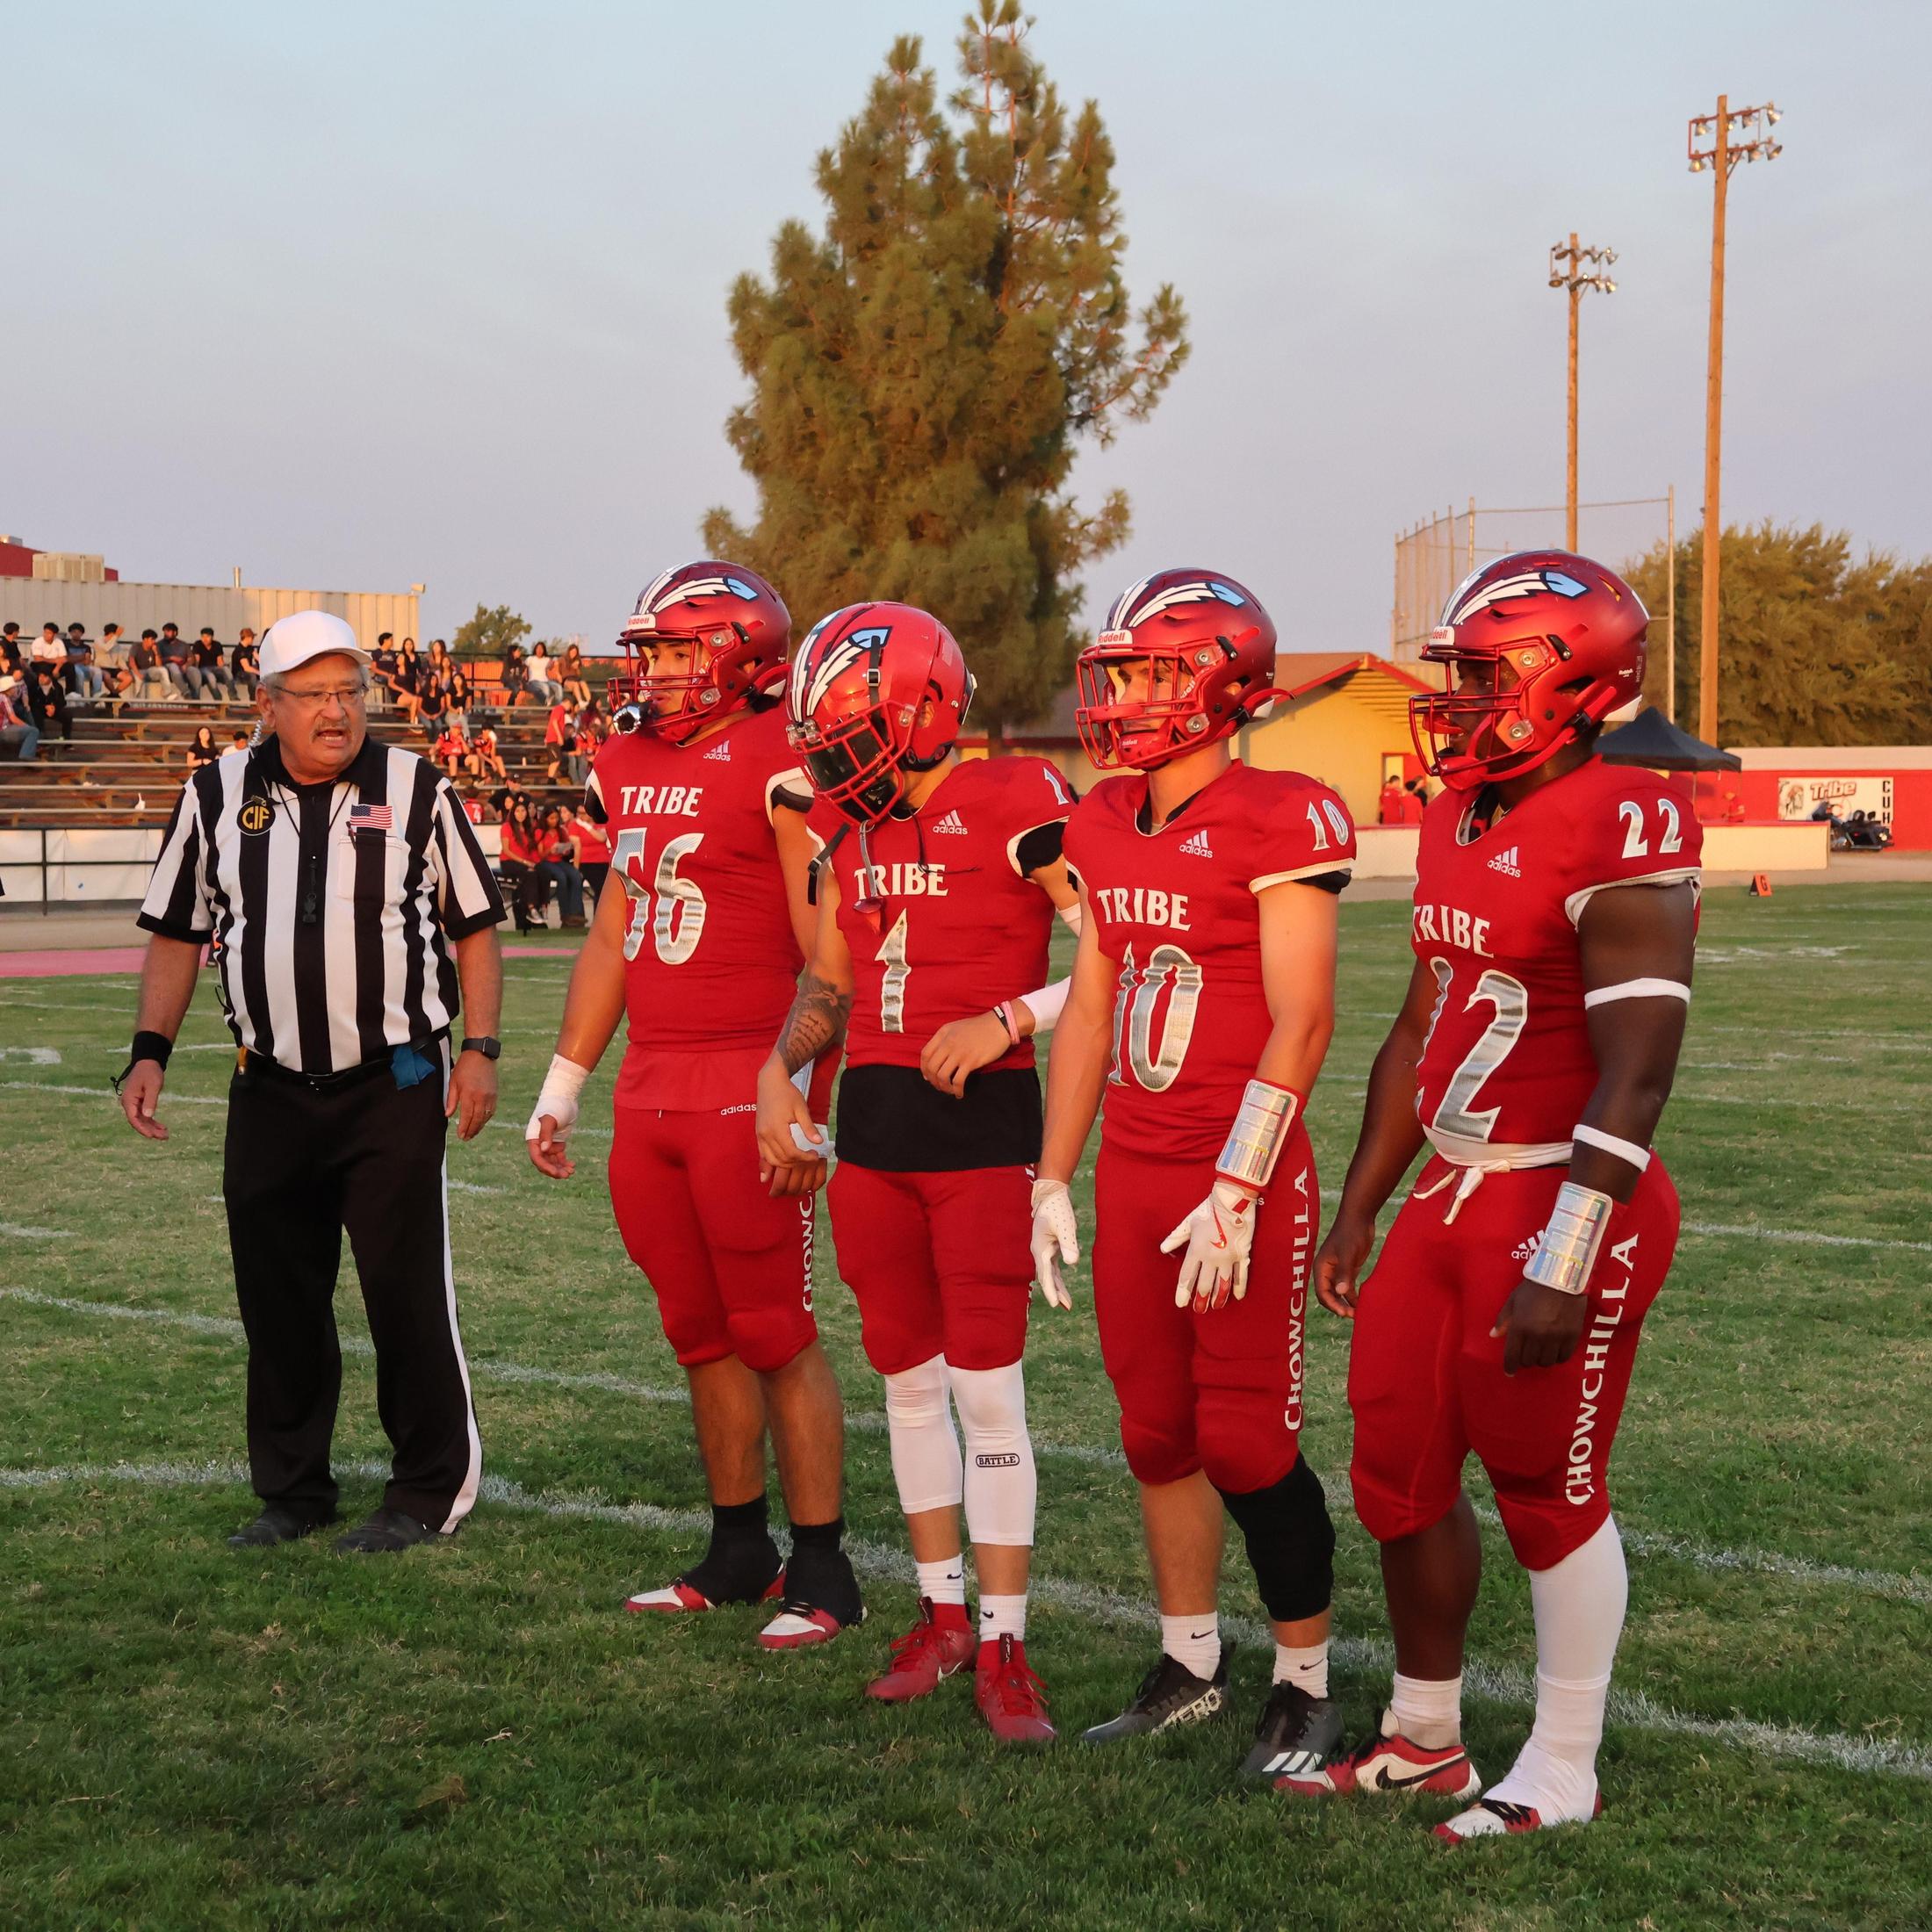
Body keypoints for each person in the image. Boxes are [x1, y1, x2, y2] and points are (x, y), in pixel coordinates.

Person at [1312, 551, 1702, 1841]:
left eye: (1483, 675)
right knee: (1397, 1472)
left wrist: (1567, 1252)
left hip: (1563, 1192)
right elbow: (1422, 1017)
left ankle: (1565, 1761)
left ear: (1571, 681)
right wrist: (1366, 1197)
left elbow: (1638, 1076)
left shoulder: (1623, 812)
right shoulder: (1454, 809)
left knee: (1547, 1488)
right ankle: (1425, 1739)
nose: (1458, 700)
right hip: (1454, 1195)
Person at [1031, 567, 1355, 1784]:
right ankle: (1190, 1665)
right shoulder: (1105, 816)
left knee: (1248, 1442)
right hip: (1141, 1174)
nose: (1126, 694)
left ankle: (1306, 1680)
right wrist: (1053, 1175)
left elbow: (1304, 1021)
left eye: (1155, 670)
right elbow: (1093, 1005)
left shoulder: (1286, 813)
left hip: (1241, 1177)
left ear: (1223, 680)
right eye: (1122, 670)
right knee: (1156, 1430)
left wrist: (1239, 1184)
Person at [756, 602, 1080, 1742]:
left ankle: (1004, 1639)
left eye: (849, 732)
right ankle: (941, 1617)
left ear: (925, 711)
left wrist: (1009, 1017)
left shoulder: (1021, 801)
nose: (834, 758)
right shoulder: (855, 829)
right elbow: (832, 985)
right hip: (878, 1140)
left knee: (988, 1393)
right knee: (904, 1382)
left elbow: (1125, 955)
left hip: (984, 1136)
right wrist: (777, 1070)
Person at [118, 609, 506, 1554]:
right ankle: (294, 1490)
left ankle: (426, 1488)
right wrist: (148, 1050)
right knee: (278, 1299)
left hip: (395, 1078)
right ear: (268, 704)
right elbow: (177, 929)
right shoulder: (213, 793)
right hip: (269, 1088)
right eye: (316, 695)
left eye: (350, 692)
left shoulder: (418, 788)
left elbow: (475, 928)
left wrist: (482, 1050)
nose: (338, 712)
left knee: (405, 1295)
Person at [524, 561, 859, 1650]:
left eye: (678, 650)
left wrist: (804, 1097)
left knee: (774, 1331)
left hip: (744, 1081)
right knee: (698, 1332)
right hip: (652, 1087)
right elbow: (616, 930)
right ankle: (737, 1547)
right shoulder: (622, 760)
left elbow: (831, 951)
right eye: (651, 651)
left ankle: (823, 1566)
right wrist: (565, 1082)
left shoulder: (784, 757)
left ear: (746, 652)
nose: (657, 671)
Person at [498, 796, 549, 932]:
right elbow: (506, 850)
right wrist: (526, 862)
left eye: (523, 811)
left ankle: (543, 907)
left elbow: (532, 850)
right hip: (509, 862)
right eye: (518, 811)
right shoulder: (507, 827)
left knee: (544, 872)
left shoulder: (529, 828)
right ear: (513, 813)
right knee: (530, 874)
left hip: (526, 862)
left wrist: (534, 862)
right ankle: (532, 908)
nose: (521, 814)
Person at [536, 804, 587, 927]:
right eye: (551, 818)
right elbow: (540, 855)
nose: (554, 821)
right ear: (545, 819)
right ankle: (564, 914)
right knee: (561, 877)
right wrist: (550, 850)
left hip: (559, 860)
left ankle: (576, 912)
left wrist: (565, 850)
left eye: (556, 818)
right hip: (546, 861)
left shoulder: (561, 830)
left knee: (575, 875)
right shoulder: (540, 832)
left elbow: (567, 847)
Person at [567, 797, 610, 908]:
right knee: (600, 888)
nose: (581, 816)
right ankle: (598, 919)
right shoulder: (574, 825)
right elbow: (577, 848)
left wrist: (586, 826)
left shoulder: (601, 823)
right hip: (587, 862)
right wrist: (575, 870)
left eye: (584, 812)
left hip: (605, 861)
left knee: (608, 889)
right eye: (579, 813)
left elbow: (602, 838)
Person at [26, 662, 74, 743]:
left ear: (50, 677)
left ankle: (67, 741)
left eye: (44, 676)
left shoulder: (57, 687)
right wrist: (45, 707)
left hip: (53, 710)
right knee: (35, 714)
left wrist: (54, 707)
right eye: (40, 676)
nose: (41, 678)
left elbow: (62, 702)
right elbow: (31, 701)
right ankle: (41, 739)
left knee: (67, 715)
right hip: (39, 710)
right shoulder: (34, 686)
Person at [126, 630, 175, 703]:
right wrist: (138, 674)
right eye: (152, 639)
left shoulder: (155, 648)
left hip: (149, 672)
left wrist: (156, 653)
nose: (154, 642)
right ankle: (136, 701)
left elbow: (159, 666)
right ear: (145, 639)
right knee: (139, 679)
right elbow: (131, 662)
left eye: (155, 639)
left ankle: (167, 694)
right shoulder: (136, 646)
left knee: (163, 670)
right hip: (136, 671)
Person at [0, 673, 40, 759]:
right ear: (8, 689)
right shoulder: (4, 698)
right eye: (14, 687)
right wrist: (26, 726)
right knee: (33, 731)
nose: (15, 689)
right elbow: (13, 718)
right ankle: (26, 756)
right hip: (3, 730)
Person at [185, 626, 230, 700]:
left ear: (212, 637)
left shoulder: (217, 645)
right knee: (210, 677)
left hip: (214, 668)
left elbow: (220, 661)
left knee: (225, 670)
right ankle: (218, 700)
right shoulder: (198, 644)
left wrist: (223, 668)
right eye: (203, 637)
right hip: (203, 669)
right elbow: (197, 660)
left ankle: (232, 694)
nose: (205, 639)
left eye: (207, 636)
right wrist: (195, 673)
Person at [64, 622, 105, 702]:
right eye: (74, 632)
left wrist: (74, 659)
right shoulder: (66, 645)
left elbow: (87, 661)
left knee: (97, 671)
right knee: (80, 673)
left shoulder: (86, 646)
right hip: (71, 667)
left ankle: (96, 694)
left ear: (82, 634)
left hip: (83, 666)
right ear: (70, 633)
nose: (77, 634)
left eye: (79, 632)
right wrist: (82, 657)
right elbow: (67, 659)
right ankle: (80, 697)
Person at [156, 621, 191, 695]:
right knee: (173, 666)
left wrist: (186, 665)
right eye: (165, 632)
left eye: (168, 631)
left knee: (194, 671)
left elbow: (191, 659)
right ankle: (186, 692)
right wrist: (171, 658)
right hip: (166, 670)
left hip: (183, 668)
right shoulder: (159, 645)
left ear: (175, 633)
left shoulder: (184, 645)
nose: (166, 634)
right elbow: (157, 661)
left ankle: (195, 698)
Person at [527, 640, 564, 707]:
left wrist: (554, 662)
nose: (539, 650)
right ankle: (547, 706)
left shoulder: (547, 659)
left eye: (541, 649)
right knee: (545, 687)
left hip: (546, 680)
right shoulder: (531, 658)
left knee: (558, 687)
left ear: (544, 650)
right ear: (535, 649)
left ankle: (558, 706)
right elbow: (524, 667)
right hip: (534, 681)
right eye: (538, 648)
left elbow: (551, 666)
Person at [559, 643, 593, 709]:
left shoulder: (577, 660)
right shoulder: (563, 659)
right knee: (575, 684)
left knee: (583, 683)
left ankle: (590, 702)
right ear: (569, 651)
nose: (573, 653)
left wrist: (576, 668)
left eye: (575, 652)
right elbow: (556, 665)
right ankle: (580, 702)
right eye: (572, 652)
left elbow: (579, 674)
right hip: (567, 680)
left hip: (575, 678)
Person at [231, 628, 260, 700]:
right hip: (239, 674)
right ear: (247, 638)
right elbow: (246, 668)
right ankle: (253, 701)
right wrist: (259, 672)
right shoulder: (239, 650)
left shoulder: (250, 648)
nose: (253, 639)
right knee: (252, 676)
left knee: (256, 671)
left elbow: (258, 658)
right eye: (252, 638)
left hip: (246, 671)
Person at [500, 642, 531, 708]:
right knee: (516, 689)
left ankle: (510, 710)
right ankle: (509, 706)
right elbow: (506, 676)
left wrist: (522, 682)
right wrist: (518, 683)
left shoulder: (519, 661)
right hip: (508, 681)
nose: (520, 652)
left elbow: (521, 675)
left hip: (516, 682)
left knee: (525, 687)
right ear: (513, 652)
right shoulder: (507, 661)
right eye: (518, 651)